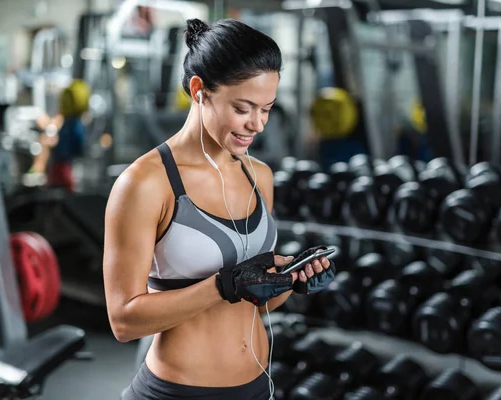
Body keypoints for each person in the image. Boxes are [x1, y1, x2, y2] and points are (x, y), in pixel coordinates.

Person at [103, 18, 337, 400]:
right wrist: (221, 284)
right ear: (199, 90)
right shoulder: (146, 183)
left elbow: (256, 302)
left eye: (267, 109)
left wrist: (290, 280)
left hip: (257, 386)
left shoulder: (258, 175)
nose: (257, 124)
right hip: (178, 392)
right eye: (243, 107)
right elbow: (123, 321)